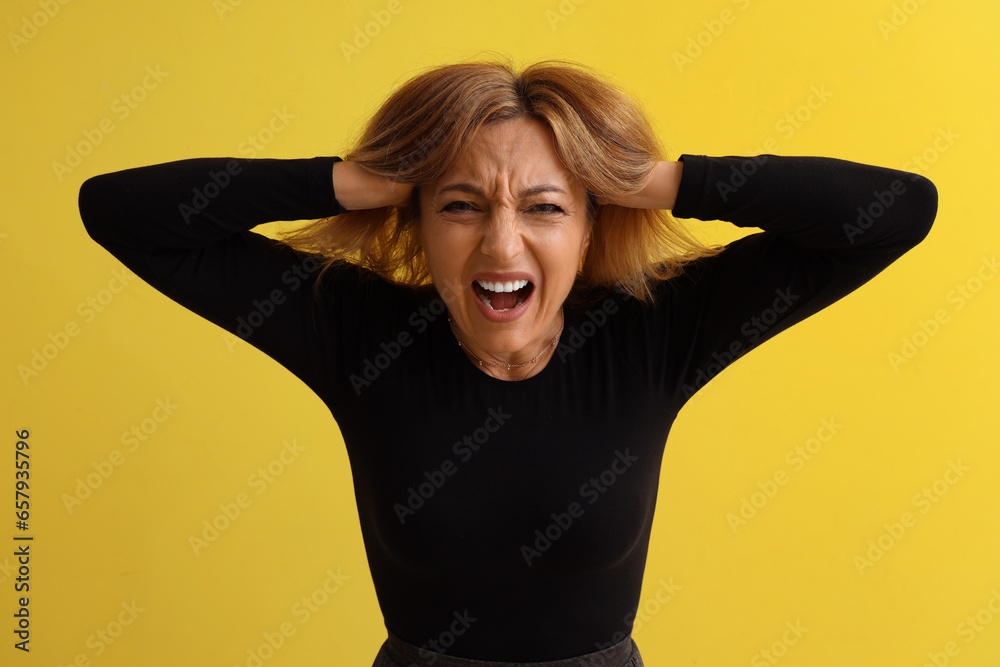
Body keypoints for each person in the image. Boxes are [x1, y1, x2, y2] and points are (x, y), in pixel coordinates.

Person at [78, 58, 937, 667]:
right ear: (414, 225)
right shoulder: (358, 334)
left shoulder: (653, 331)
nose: (501, 241)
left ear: (591, 225)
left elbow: (897, 211)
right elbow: (119, 211)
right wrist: (354, 179)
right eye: (460, 205)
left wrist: (664, 179)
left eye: (545, 206)